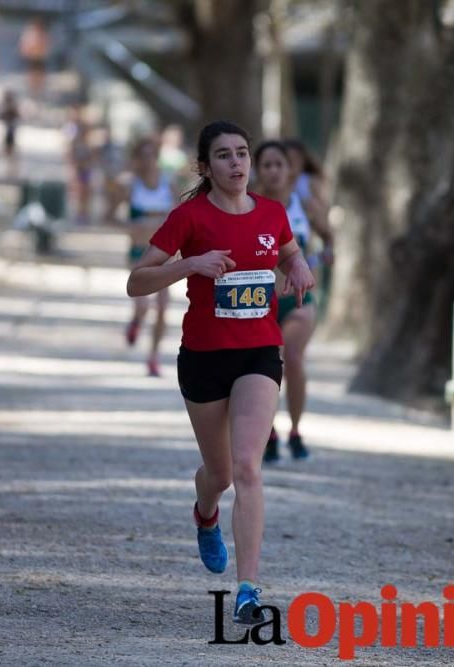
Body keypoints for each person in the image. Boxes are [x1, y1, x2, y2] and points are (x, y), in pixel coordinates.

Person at [126, 120, 315, 624]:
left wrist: (298, 267)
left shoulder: (273, 213)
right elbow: (136, 282)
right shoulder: (188, 217)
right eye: (225, 156)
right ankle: (204, 512)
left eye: (242, 154)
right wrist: (190, 265)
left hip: (258, 352)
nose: (237, 163)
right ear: (206, 167)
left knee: (249, 467)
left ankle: (248, 591)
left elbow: (290, 251)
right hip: (205, 357)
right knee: (221, 474)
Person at [253, 141, 334, 462]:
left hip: (298, 299)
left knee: (293, 360)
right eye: (266, 165)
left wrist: (318, 259)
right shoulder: (249, 206)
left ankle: (296, 431)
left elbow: (329, 238)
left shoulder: (305, 206)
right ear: (258, 170)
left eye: (279, 164)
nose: (273, 171)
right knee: (266, 367)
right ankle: (268, 432)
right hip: (258, 301)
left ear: (291, 170)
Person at [121, 136, 177, 377]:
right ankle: (136, 321)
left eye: (151, 155)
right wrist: (132, 225)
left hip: (164, 254)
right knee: (143, 305)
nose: (147, 160)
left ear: (157, 157)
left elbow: (179, 218)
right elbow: (109, 214)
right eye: (142, 156)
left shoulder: (169, 184)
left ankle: (153, 357)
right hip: (138, 252)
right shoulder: (130, 185)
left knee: (163, 308)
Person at [19, 16, 51, 101]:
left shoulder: (43, 34)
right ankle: (32, 92)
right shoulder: (30, 33)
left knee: (39, 76)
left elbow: (47, 47)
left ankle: (38, 92)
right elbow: (24, 46)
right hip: (31, 58)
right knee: (31, 76)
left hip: (39, 58)